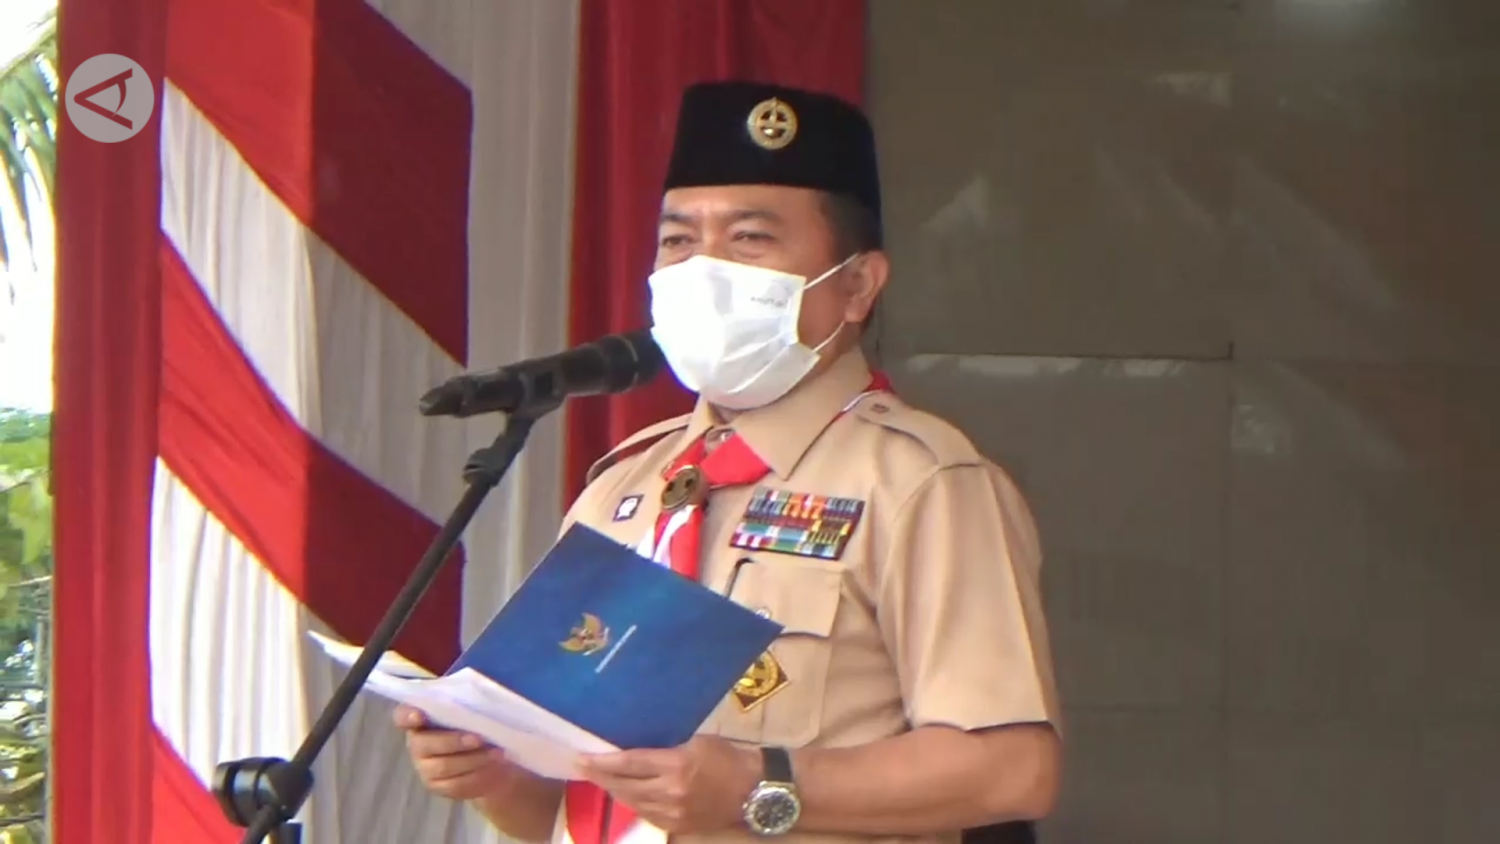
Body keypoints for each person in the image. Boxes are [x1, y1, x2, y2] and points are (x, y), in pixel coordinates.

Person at [395, 80, 1063, 844]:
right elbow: (580, 811)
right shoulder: (625, 485)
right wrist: (493, 775)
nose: (703, 268)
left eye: (749, 239)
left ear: (856, 285)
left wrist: (762, 786)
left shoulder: (919, 484)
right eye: (679, 241)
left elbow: (1013, 769)